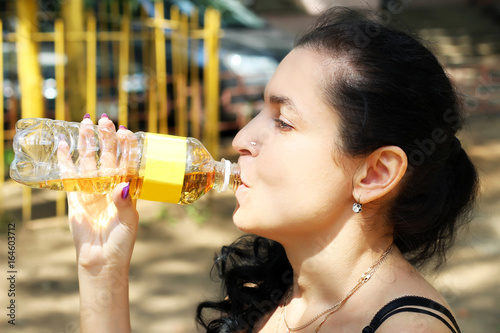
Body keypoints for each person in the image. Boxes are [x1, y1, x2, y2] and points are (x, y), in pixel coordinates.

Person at [66, 7, 478, 333]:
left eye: (283, 121)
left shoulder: (407, 329)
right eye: (258, 112)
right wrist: (102, 270)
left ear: (374, 174)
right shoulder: (275, 295)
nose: (241, 138)